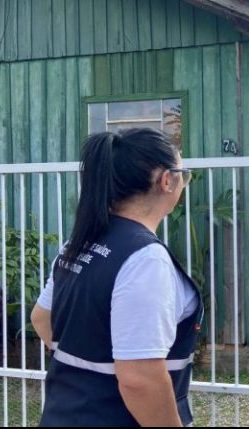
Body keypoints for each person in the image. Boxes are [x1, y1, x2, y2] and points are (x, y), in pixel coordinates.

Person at [30, 128, 203, 427]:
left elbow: (41, 317)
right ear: (166, 180)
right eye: (183, 174)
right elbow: (139, 379)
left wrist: (86, 374)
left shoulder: (79, 243)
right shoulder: (145, 259)